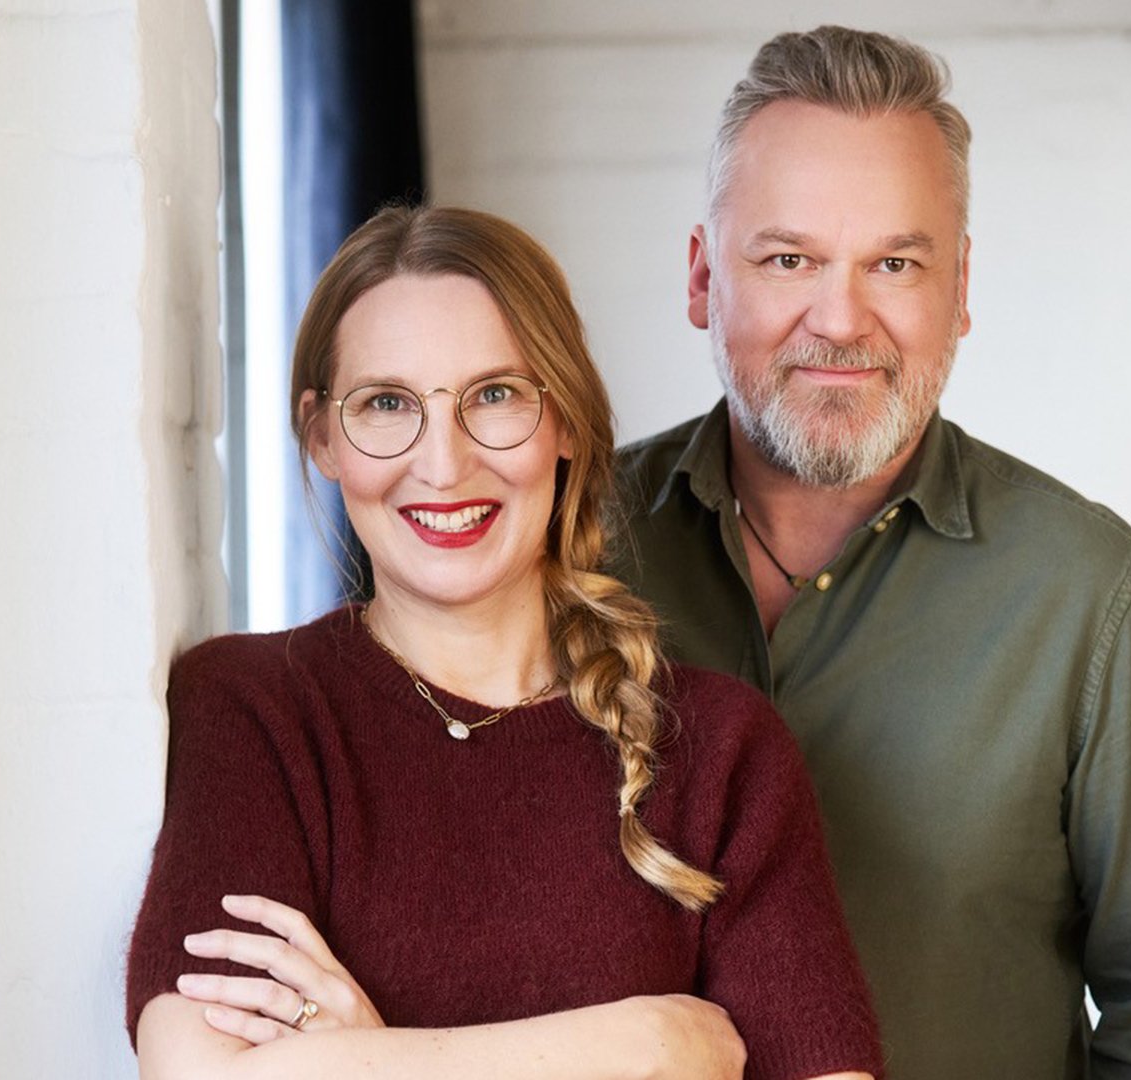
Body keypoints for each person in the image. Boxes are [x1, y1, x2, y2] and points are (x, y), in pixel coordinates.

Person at [613, 26, 1131, 1079]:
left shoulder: (1098, 602)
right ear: (701, 277)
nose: (840, 317)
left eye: (895, 264)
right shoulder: (567, 553)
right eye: (789, 259)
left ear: (958, 290)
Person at [124, 205, 883, 1080]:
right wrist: (645, 1046)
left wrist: (363, 1062)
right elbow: (200, 1073)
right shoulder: (254, 706)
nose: (443, 464)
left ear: (563, 422)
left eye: (494, 395)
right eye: (385, 404)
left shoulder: (720, 751)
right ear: (322, 436)